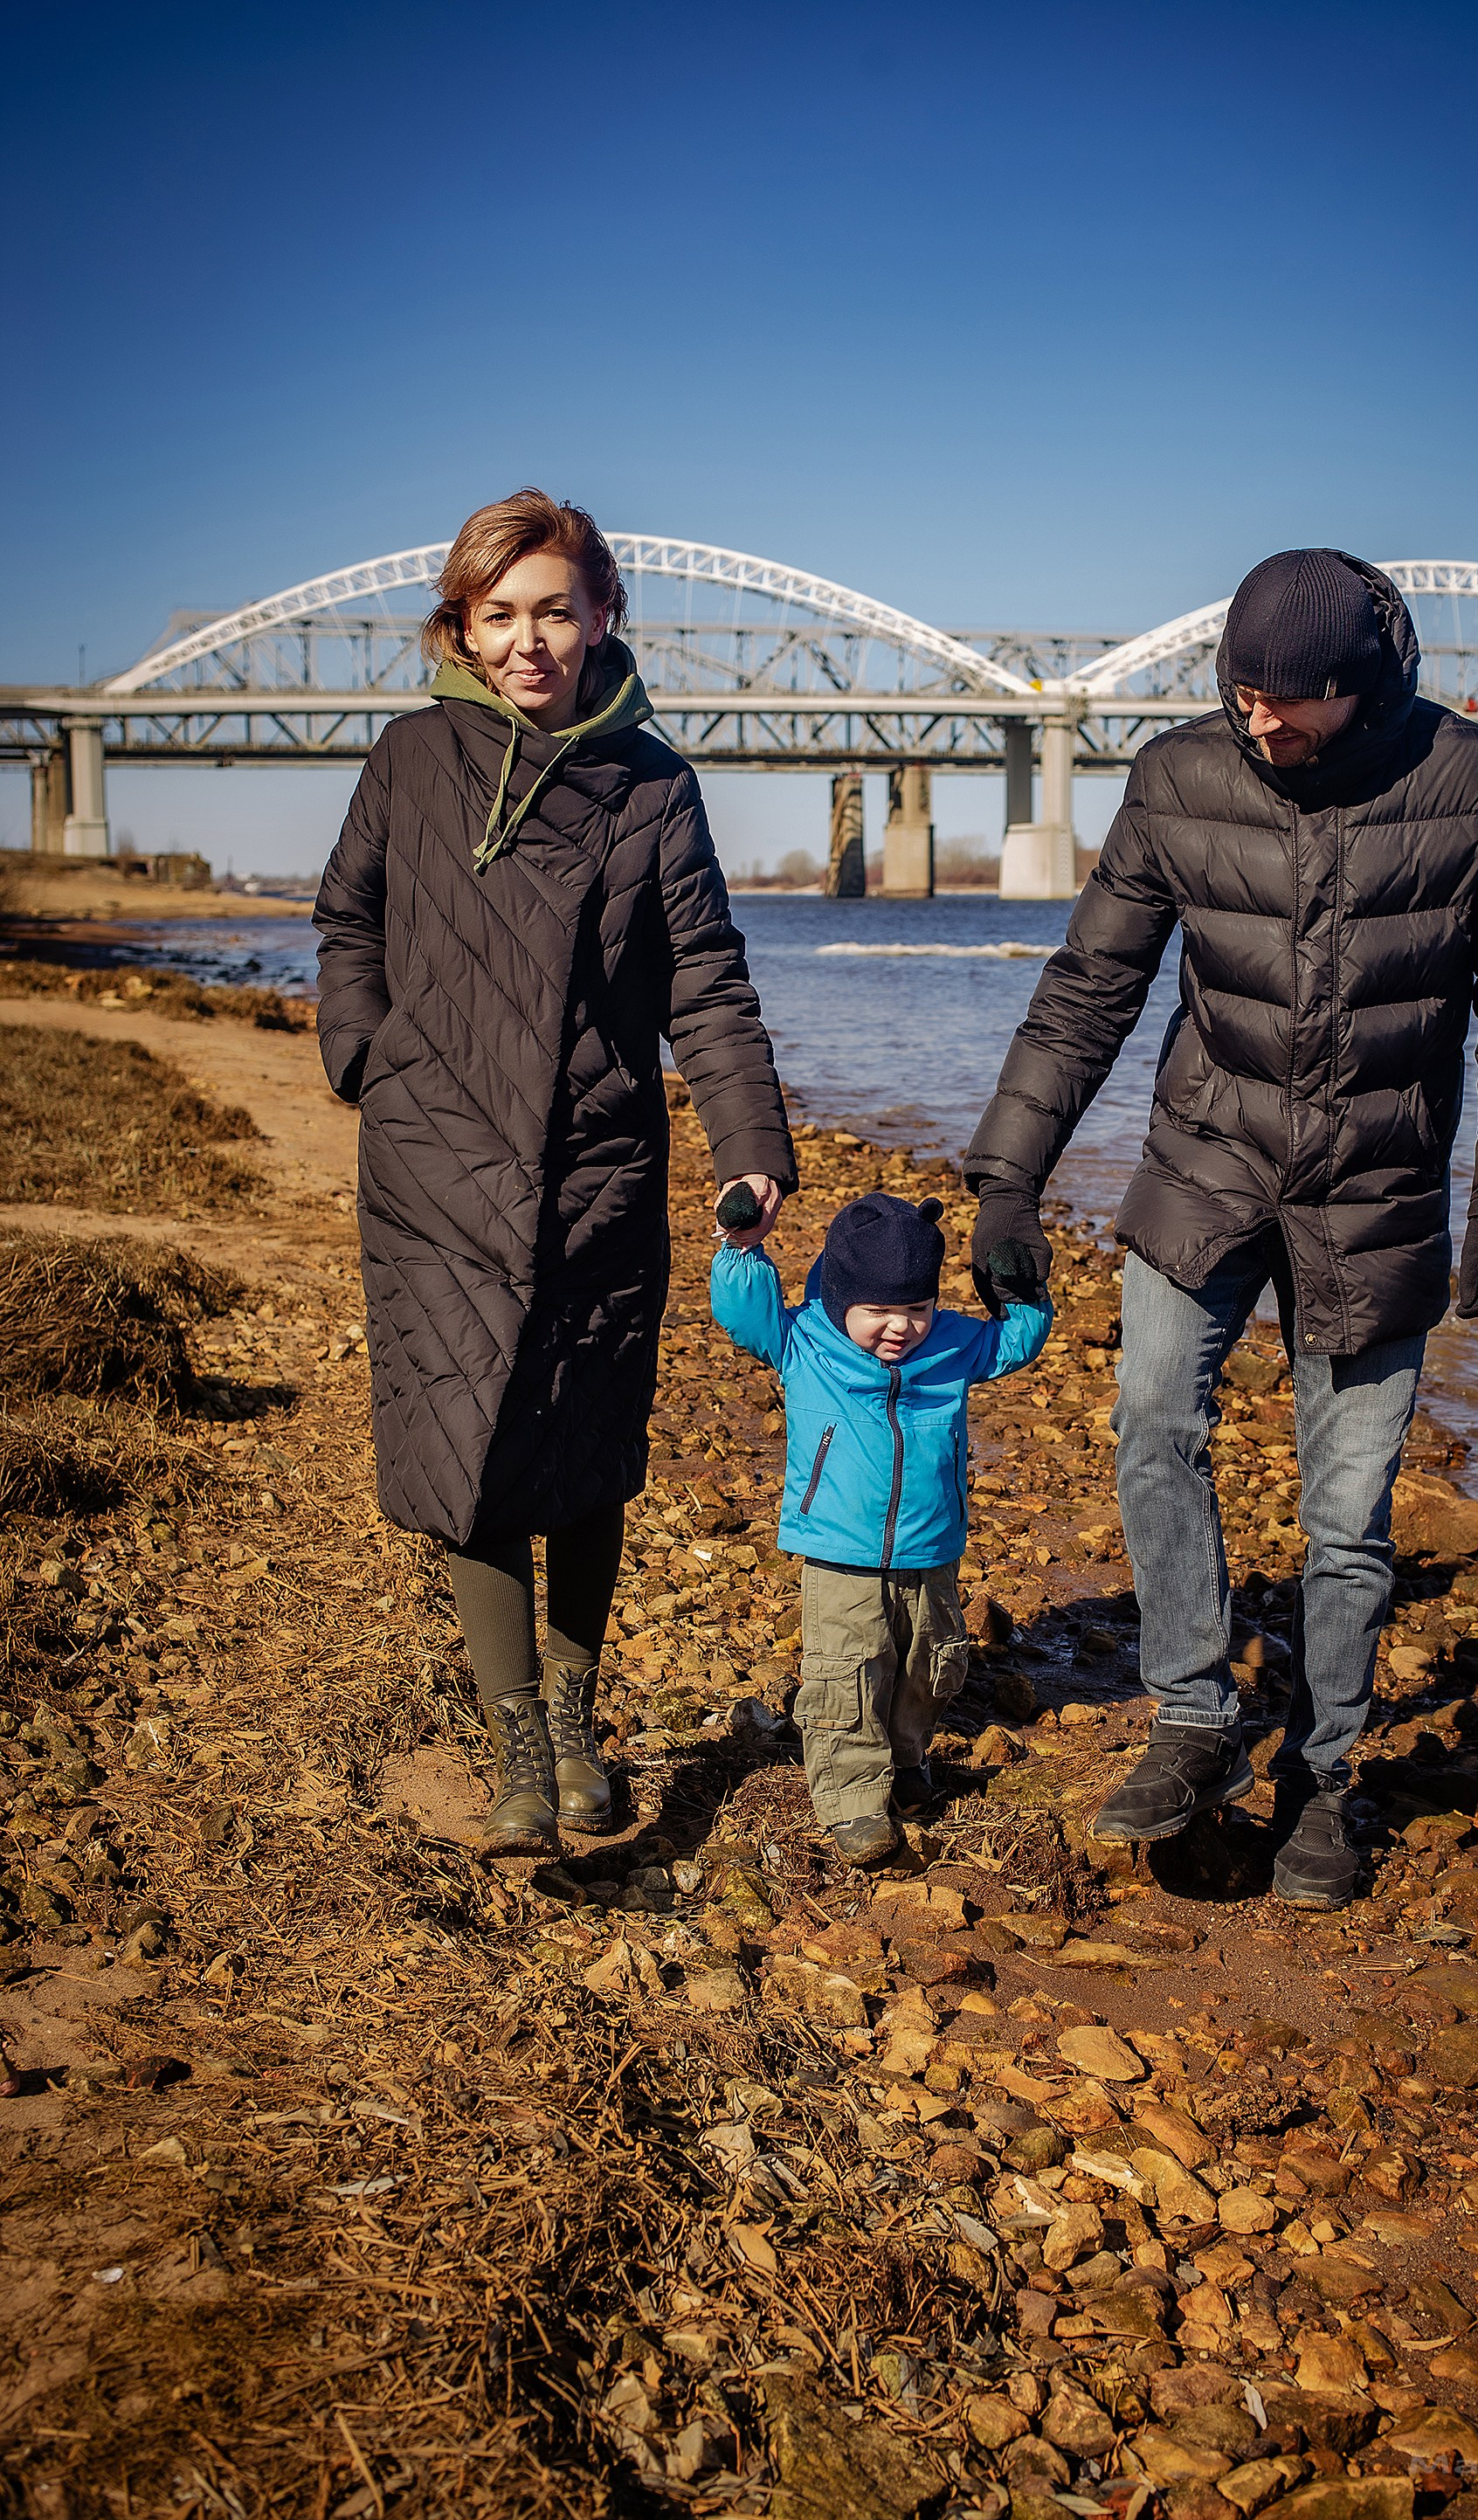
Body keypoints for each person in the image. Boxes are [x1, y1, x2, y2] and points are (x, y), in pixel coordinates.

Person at [964, 548, 1478, 1910]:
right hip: (1207, 1160)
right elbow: (1089, 986)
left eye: (1286, 700)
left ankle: (1325, 1779)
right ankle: (1194, 1715)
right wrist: (1008, 1180)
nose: (1258, 721)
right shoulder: (1179, 777)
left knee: (1347, 1519)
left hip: (1378, 1190)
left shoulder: (1477, 785)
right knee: (1151, 1420)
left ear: (1360, 684)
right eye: (1240, 693)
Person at [314, 490, 795, 1862]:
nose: (529, 641)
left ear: (601, 619)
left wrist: (751, 1144)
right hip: (432, 1160)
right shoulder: (411, 760)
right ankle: (517, 1732)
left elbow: (705, 982)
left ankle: (576, 1719)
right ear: (463, 629)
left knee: (586, 1447)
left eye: (554, 612)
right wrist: (367, 1057)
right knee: (466, 1437)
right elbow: (349, 917)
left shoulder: (653, 788)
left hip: (598, 1162)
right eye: (500, 615)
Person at [710, 1190, 1053, 1866]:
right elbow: (742, 1313)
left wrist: (1024, 1294)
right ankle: (853, 1799)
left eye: (917, 1309)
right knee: (850, 1671)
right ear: (841, 1300)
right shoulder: (804, 1341)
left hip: (931, 1545)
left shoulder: (950, 1343)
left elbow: (1013, 1343)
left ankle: (904, 1757)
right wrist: (741, 1245)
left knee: (928, 1662)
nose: (900, 1328)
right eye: (878, 1312)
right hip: (839, 1549)